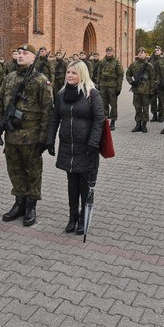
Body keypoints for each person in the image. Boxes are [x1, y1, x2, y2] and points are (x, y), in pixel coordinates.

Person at [0, 44, 53, 226]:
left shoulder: (41, 80)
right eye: (18, 53)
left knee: (33, 171)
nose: (20, 56)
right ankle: (19, 202)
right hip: (11, 134)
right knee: (15, 170)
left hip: (31, 135)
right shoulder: (9, 77)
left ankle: (31, 206)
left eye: (25, 53)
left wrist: (44, 138)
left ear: (34, 57)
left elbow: (47, 110)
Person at [47, 60, 105, 234]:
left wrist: (94, 142)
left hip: (86, 147)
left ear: (82, 74)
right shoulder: (61, 94)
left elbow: (99, 119)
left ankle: (83, 217)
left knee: (84, 184)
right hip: (67, 147)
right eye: (68, 72)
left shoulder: (92, 94)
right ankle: (72, 217)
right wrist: (50, 140)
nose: (70, 76)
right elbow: (55, 118)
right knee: (71, 184)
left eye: (74, 73)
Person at [125, 47, 153, 133]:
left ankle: (144, 125)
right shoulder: (133, 64)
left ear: (145, 54)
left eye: (142, 52)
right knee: (137, 107)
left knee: (145, 108)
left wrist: (152, 91)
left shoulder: (149, 66)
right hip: (136, 90)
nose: (140, 54)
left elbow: (153, 79)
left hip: (145, 91)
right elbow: (128, 74)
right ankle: (138, 124)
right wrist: (131, 82)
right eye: (139, 52)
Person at [96, 46, 123, 131]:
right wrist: (98, 85)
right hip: (103, 85)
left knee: (113, 104)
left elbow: (120, 75)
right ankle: (105, 121)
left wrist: (119, 87)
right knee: (104, 104)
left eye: (110, 51)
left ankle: (113, 122)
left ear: (113, 52)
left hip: (112, 86)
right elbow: (99, 73)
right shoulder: (102, 61)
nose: (108, 52)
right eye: (107, 51)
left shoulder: (116, 62)